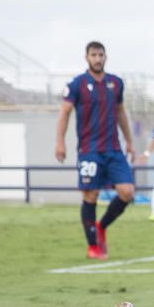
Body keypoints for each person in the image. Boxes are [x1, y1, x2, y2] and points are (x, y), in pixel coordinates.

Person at [55, 41, 136, 260]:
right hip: (89, 150)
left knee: (127, 192)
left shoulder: (116, 83)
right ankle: (93, 246)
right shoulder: (77, 85)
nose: (97, 59)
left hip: (114, 149)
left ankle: (102, 226)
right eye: (94, 55)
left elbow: (120, 112)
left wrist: (129, 141)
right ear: (86, 57)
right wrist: (60, 142)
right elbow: (65, 113)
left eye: (101, 55)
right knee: (91, 195)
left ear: (106, 57)